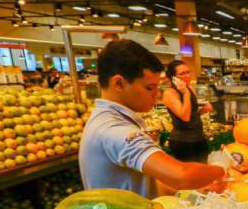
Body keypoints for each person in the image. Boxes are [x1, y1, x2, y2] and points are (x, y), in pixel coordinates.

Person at [79, 40, 225, 199]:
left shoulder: (107, 119)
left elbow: (145, 181)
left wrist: (185, 193)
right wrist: (222, 168)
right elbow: (182, 175)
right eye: (149, 88)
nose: (157, 95)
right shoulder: (113, 130)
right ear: (118, 83)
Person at [161, 60, 213, 163]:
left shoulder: (189, 88)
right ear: (173, 77)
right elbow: (185, 117)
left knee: (203, 171)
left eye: (188, 72)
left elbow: (191, 113)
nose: (187, 76)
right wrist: (185, 93)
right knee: (191, 175)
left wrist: (203, 110)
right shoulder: (170, 93)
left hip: (199, 137)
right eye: (182, 73)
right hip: (183, 141)